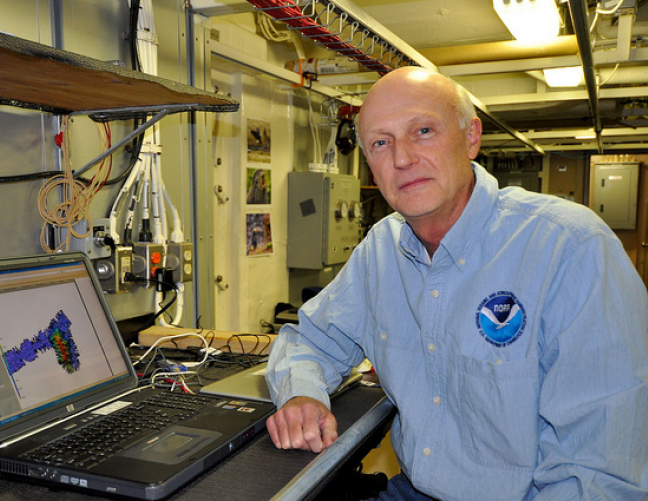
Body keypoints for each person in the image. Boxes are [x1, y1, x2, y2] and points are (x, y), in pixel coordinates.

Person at [265, 66, 648, 501]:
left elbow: (599, 472)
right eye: (380, 143)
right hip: (415, 490)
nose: (402, 158)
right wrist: (302, 396)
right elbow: (310, 340)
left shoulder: (571, 248)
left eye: (423, 130)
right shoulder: (381, 251)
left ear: (471, 137)